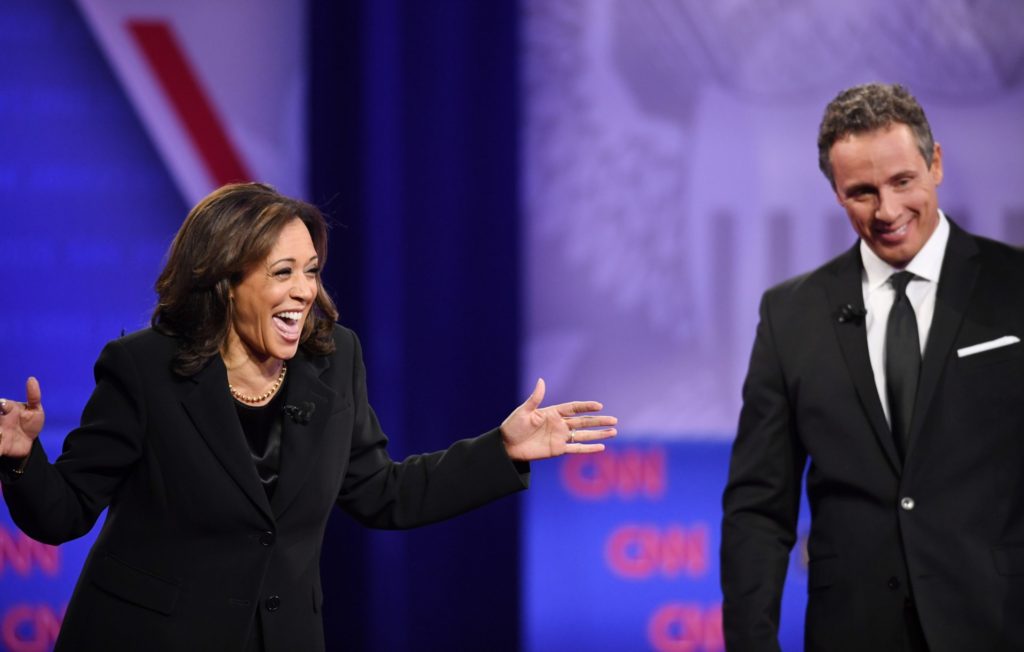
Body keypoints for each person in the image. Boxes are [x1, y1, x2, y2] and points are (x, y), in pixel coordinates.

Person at [0, 182, 617, 652]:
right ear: (223, 281)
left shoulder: (333, 358)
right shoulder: (144, 369)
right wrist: (22, 457)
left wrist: (502, 450)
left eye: (312, 271)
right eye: (283, 273)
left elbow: (382, 493)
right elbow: (65, 512)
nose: (304, 292)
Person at [720, 83, 1024, 651]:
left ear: (935, 163)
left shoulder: (1016, 288)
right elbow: (758, 508)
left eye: (902, 182)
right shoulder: (790, 315)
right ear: (835, 192)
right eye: (861, 192)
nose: (887, 211)